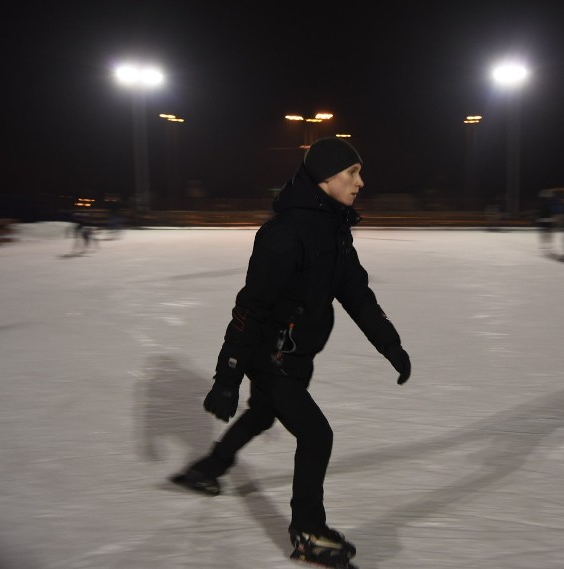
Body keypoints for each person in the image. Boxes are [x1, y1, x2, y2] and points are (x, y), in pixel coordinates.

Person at [171, 137, 411, 569]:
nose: (361, 181)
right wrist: (227, 378)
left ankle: (209, 468)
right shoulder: (284, 235)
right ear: (325, 177)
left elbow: (357, 294)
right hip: (271, 356)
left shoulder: (334, 230)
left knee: (263, 414)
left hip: (298, 354)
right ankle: (308, 532)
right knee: (317, 435)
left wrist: (390, 344)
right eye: (352, 172)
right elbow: (250, 309)